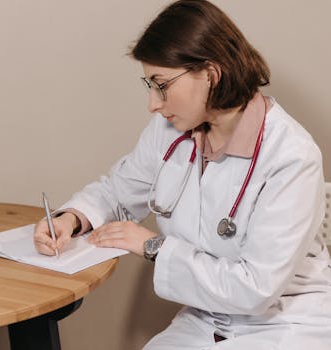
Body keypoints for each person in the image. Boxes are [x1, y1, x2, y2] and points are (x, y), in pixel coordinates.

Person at [33, 0, 331, 348]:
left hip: (284, 321)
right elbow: (118, 190)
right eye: (150, 85)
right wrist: (71, 218)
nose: (154, 104)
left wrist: (152, 246)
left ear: (210, 74)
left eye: (162, 84)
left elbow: (256, 289)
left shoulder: (291, 155)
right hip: (206, 318)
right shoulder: (170, 131)